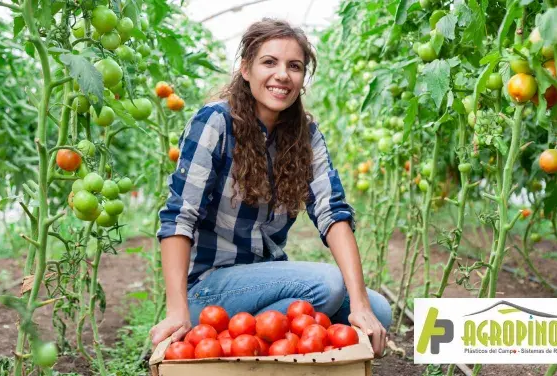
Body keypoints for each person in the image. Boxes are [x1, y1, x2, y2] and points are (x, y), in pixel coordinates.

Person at [149, 18, 391, 357]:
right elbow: (178, 217)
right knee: (328, 286)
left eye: (294, 66)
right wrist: (176, 310)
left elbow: (331, 211)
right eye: (269, 62)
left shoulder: (304, 134)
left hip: (261, 280)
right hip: (208, 290)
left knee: (378, 311)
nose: (283, 75)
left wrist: (361, 305)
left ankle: (249, 338)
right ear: (246, 69)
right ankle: (226, 333)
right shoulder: (215, 122)